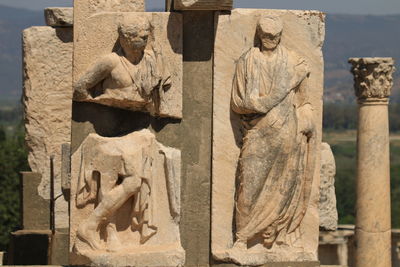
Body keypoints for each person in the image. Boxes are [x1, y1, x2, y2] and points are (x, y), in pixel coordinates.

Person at [231, 16, 316, 250]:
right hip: (258, 131)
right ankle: (243, 236)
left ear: (280, 35)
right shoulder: (248, 61)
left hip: (288, 131)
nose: (270, 40)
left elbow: (305, 102)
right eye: (266, 36)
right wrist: (266, 100)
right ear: (259, 35)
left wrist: (305, 121)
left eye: (275, 36)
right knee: (249, 184)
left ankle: (275, 234)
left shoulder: (294, 61)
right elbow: (240, 102)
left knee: (285, 184)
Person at [73, 16, 171, 113]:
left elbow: (164, 91)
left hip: (144, 117)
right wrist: (95, 110)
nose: (146, 39)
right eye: (143, 37)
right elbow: (80, 88)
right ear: (126, 38)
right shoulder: (111, 61)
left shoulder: (153, 59)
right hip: (112, 116)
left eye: (147, 36)